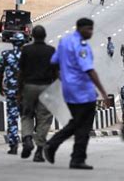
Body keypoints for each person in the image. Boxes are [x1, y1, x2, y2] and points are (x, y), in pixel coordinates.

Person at [44, 18, 110, 170]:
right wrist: (103, 93)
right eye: (88, 29)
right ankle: (64, 151)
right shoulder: (81, 46)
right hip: (83, 91)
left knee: (77, 122)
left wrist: (60, 76)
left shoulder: (64, 41)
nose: (91, 33)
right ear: (79, 28)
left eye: (92, 29)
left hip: (68, 90)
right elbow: (89, 70)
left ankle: (71, 155)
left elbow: (54, 62)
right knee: (83, 126)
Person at [19, 25, 58, 162]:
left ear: (33, 36)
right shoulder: (51, 51)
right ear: (45, 36)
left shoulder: (26, 50)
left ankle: (27, 138)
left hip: (29, 86)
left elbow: (21, 72)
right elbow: (56, 72)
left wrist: (19, 90)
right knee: (44, 119)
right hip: (46, 86)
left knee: (27, 114)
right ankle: (39, 151)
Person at [0, 33, 25, 155]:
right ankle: (28, 140)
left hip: (11, 90)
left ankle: (13, 145)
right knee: (27, 117)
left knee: (12, 118)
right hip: (26, 91)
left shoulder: (6, 54)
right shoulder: (27, 55)